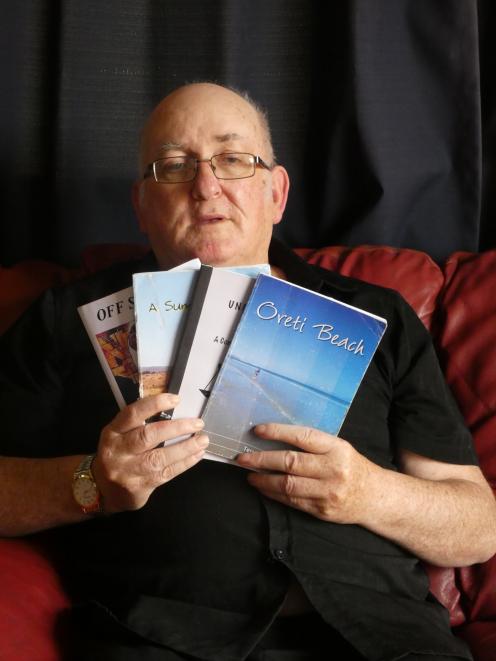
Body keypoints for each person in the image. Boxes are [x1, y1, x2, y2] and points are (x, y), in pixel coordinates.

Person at [0, 82, 495, 661]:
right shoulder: (68, 319)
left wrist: (367, 493)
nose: (206, 186)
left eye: (234, 160)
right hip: (162, 635)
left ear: (277, 193)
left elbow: (477, 527)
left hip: (381, 637)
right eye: (174, 166)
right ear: (141, 203)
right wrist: (89, 485)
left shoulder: (378, 316)